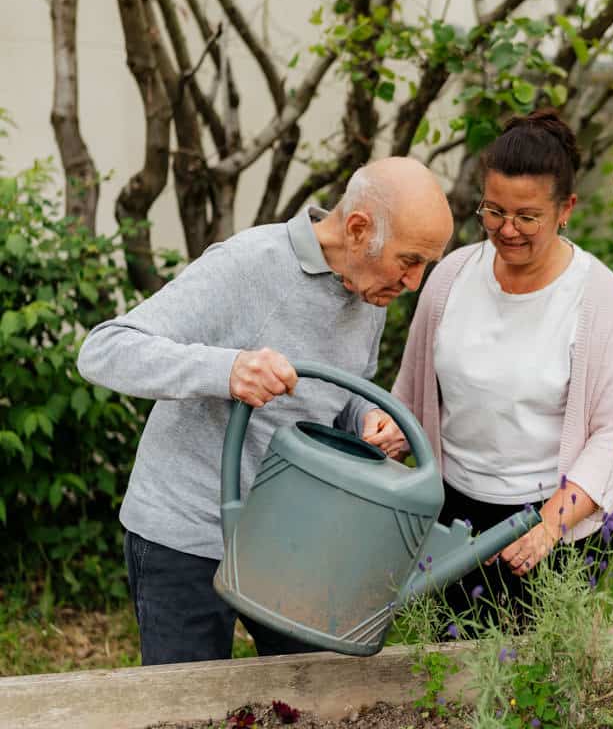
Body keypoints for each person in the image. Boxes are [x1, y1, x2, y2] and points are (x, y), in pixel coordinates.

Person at [77, 157, 452, 664]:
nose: (414, 282)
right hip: (186, 530)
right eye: (409, 260)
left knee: (311, 688)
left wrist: (365, 417)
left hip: (289, 537)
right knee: (189, 708)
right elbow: (105, 350)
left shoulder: (368, 292)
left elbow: (343, 391)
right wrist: (228, 369)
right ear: (359, 229)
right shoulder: (250, 263)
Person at [390, 110, 613, 628]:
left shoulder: (599, 301)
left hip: (554, 520)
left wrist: (550, 525)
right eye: (493, 211)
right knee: (447, 666)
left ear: (565, 209)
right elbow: (414, 390)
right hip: (454, 511)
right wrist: (392, 428)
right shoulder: (452, 279)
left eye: (527, 217)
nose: (506, 230)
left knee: (538, 679)